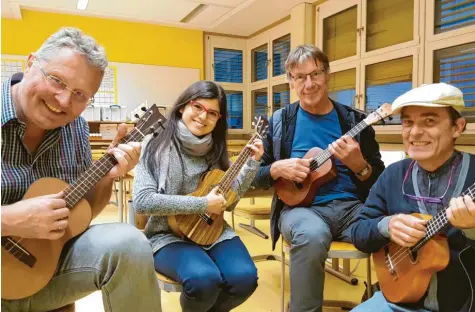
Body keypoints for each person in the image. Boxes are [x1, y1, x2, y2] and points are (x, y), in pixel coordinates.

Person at [1, 27, 161, 312]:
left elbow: (82, 211)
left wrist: (108, 175)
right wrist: (9, 219)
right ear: (30, 63)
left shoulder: (75, 127)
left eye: (80, 95)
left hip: (41, 267)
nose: (64, 101)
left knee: (131, 244)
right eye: (57, 81)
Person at [251, 44, 385, 312]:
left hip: (353, 209)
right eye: (300, 77)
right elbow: (254, 176)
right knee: (312, 236)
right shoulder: (280, 121)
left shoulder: (355, 121)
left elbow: (378, 179)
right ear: (291, 82)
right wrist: (277, 169)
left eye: (315, 74)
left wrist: (360, 166)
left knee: (392, 230)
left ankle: (383, 299)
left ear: (328, 75)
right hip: (301, 210)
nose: (309, 84)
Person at [132, 80, 262, 312]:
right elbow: (143, 201)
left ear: (218, 120)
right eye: (198, 107)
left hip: (212, 231)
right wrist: (202, 204)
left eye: (212, 113)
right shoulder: (154, 144)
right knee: (203, 280)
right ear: (183, 106)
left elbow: (229, 203)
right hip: (167, 235)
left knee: (244, 278)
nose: (203, 117)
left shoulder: (217, 149)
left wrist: (252, 164)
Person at [351, 83, 475, 312]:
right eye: (408, 122)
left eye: (429, 121)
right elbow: (358, 232)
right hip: (396, 300)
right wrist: (386, 226)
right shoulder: (393, 175)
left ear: (458, 127)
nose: (415, 132)